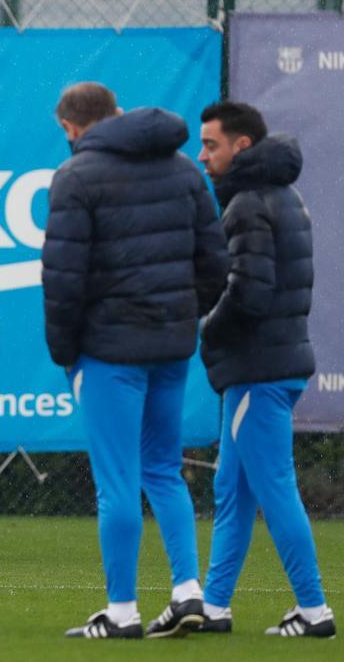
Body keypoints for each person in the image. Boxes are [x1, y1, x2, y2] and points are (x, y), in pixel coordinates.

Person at [42, 82, 228, 639]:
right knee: (164, 471)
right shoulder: (182, 169)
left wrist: (65, 353)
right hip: (171, 344)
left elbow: (63, 278)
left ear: (73, 127)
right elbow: (214, 261)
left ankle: (121, 611)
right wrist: (182, 314)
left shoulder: (76, 176)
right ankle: (188, 592)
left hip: (109, 349)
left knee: (117, 482)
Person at [196, 101, 334, 638]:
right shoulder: (282, 196)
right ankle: (213, 606)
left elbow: (248, 295)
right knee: (234, 491)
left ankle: (315, 610)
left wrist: (207, 329)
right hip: (271, 365)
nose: (204, 156)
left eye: (212, 145)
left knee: (274, 489)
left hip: (259, 369)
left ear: (242, 147)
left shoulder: (249, 203)